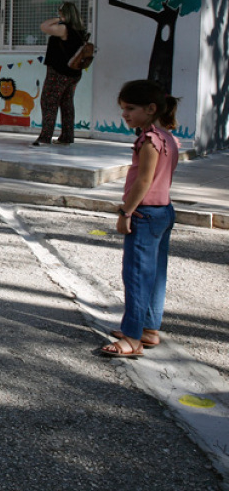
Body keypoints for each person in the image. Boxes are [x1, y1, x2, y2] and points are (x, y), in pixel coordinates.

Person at [101, 80, 180, 358]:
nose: (125, 114)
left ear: (151, 108)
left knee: (136, 275)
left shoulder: (149, 140)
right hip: (164, 211)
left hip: (144, 213)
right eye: (123, 109)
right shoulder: (168, 137)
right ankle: (148, 329)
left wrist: (126, 211)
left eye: (131, 108)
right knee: (155, 274)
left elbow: (144, 181)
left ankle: (132, 339)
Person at [33, 2, 87, 146]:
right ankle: (67, 137)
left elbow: (44, 26)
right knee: (66, 104)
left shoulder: (64, 29)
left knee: (48, 102)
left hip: (58, 73)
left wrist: (59, 19)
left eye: (61, 13)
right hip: (74, 74)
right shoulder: (79, 30)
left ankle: (45, 137)